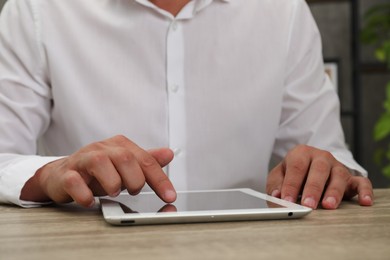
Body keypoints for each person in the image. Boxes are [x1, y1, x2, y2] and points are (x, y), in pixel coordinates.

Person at [0, 0, 373, 210]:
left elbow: (334, 159)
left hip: (248, 249)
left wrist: (325, 170)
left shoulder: (284, 10)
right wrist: (51, 174)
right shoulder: (38, 10)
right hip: (87, 246)